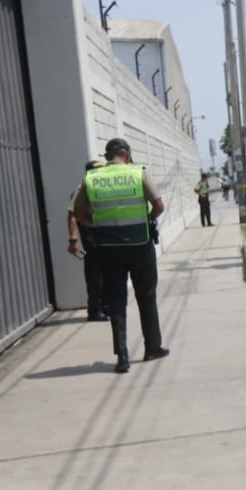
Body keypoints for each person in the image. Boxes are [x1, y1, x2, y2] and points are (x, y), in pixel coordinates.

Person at [74, 138, 169, 373]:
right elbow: (158, 206)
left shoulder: (92, 178)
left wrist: (97, 224)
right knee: (146, 297)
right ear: (126, 153)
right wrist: (144, 221)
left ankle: (123, 357)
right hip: (140, 245)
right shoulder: (138, 173)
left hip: (108, 248)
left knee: (116, 302)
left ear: (107, 156)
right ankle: (152, 347)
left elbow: (78, 212)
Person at [67, 159, 107, 321]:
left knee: (107, 271)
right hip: (90, 232)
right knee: (95, 273)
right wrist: (73, 240)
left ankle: (106, 306)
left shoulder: (104, 186)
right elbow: (72, 216)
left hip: (104, 232)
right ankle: (95, 310)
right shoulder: (80, 189)